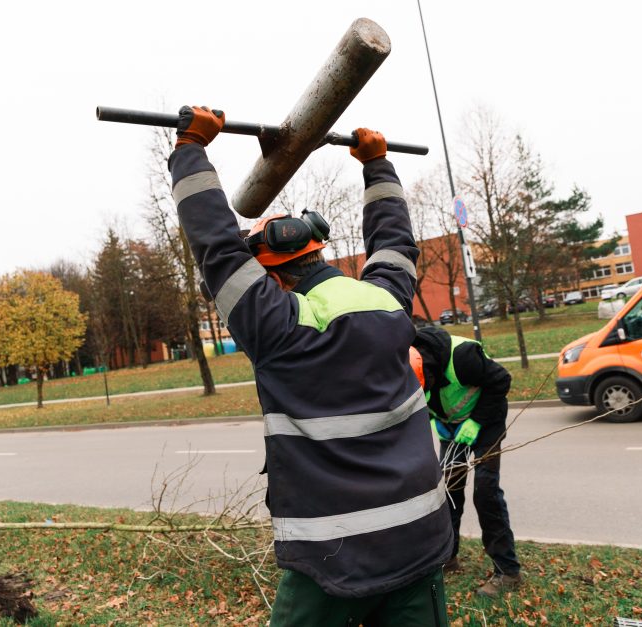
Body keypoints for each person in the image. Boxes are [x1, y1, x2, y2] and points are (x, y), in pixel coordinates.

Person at [168, 105, 454, 626]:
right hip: (422, 541)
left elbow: (217, 248)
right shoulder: (388, 302)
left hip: (332, 562)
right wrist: (377, 165)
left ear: (272, 278)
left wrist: (190, 151)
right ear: (318, 255)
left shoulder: (279, 329)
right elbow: (394, 241)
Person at [410, 326, 521, 596]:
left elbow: (501, 381)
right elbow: (423, 402)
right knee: (448, 492)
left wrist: (476, 422)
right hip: (452, 430)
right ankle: (448, 558)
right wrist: (436, 420)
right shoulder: (407, 365)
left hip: (486, 424)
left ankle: (508, 571)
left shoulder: (463, 357)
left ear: (432, 373)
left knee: (486, 492)